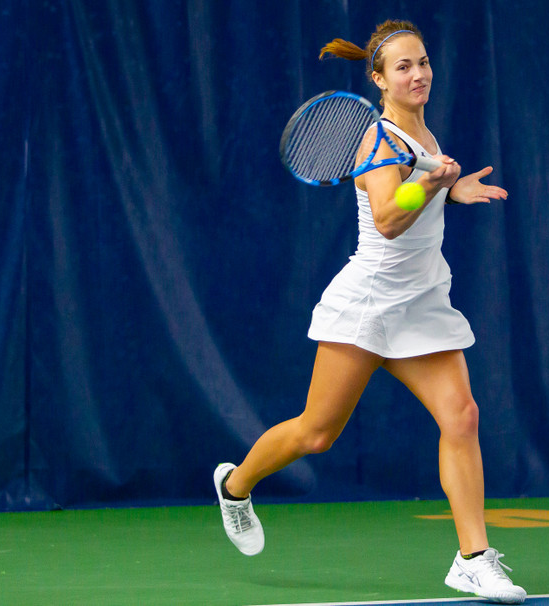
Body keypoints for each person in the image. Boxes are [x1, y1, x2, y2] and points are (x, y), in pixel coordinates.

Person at [213, 19, 526, 604]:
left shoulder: (424, 137)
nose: (419, 74)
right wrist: (435, 187)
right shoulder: (378, 139)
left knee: (461, 417)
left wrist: (449, 187)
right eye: (403, 67)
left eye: (424, 62)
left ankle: (473, 558)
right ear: (379, 81)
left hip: (423, 300)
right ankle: (235, 486)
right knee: (316, 433)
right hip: (369, 302)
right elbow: (386, 215)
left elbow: (421, 187)